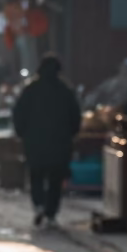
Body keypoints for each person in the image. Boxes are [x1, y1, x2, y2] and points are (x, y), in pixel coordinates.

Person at [13, 54, 81, 229]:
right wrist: (70, 135)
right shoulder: (66, 91)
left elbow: (18, 115)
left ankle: (39, 206)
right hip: (59, 145)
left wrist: (22, 134)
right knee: (55, 180)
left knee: (36, 176)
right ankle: (51, 213)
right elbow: (76, 118)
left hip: (34, 144)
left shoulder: (30, 90)